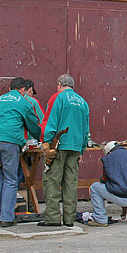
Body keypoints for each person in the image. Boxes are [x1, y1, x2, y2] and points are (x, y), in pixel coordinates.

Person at [0, 77, 43, 226]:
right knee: (10, 179)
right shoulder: (23, 102)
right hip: (9, 140)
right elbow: (33, 124)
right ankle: (6, 218)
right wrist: (37, 137)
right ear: (23, 90)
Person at [39, 74, 90, 227]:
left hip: (59, 145)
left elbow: (51, 122)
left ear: (59, 85)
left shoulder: (59, 98)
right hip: (75, 147)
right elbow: (85, 129)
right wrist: (81, 150)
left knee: (52, 181)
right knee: (70, 183)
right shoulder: (83, 102)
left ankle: (53, 217)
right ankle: (69, 218)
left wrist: (46, 143)